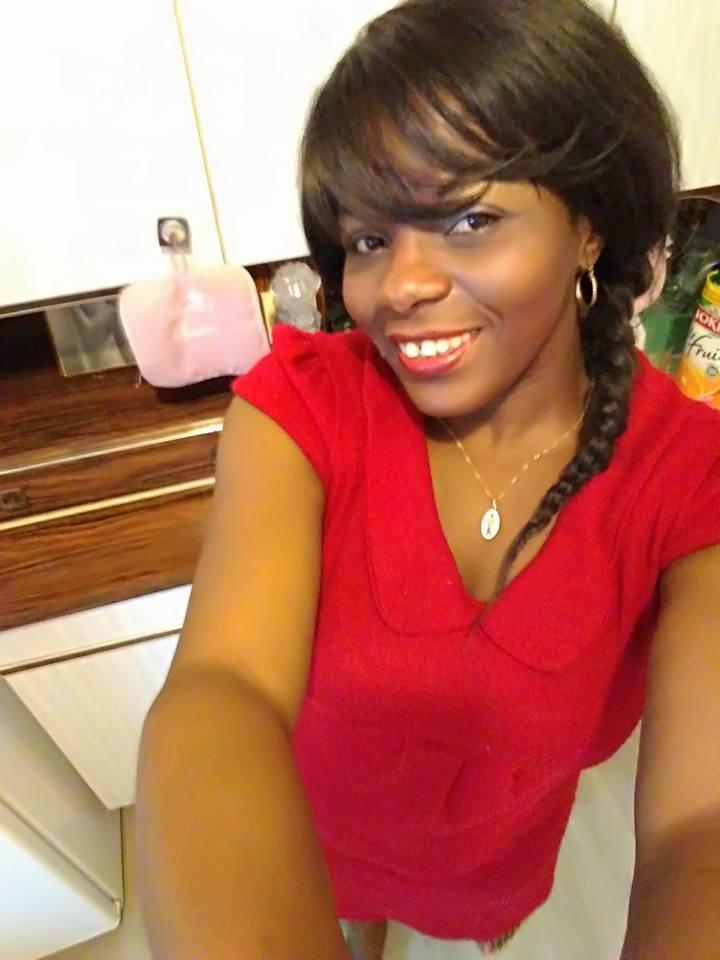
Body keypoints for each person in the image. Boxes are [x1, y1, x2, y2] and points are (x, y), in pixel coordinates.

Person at [135, 1, 720, 958]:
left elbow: (701, 830)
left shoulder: (689, 479)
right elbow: (220, 691)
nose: (400, 284)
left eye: (469, 219)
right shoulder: (304, 410)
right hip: (301, 841)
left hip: (494, 865)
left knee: (475, 916)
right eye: (369, 239)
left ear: (589, 226)